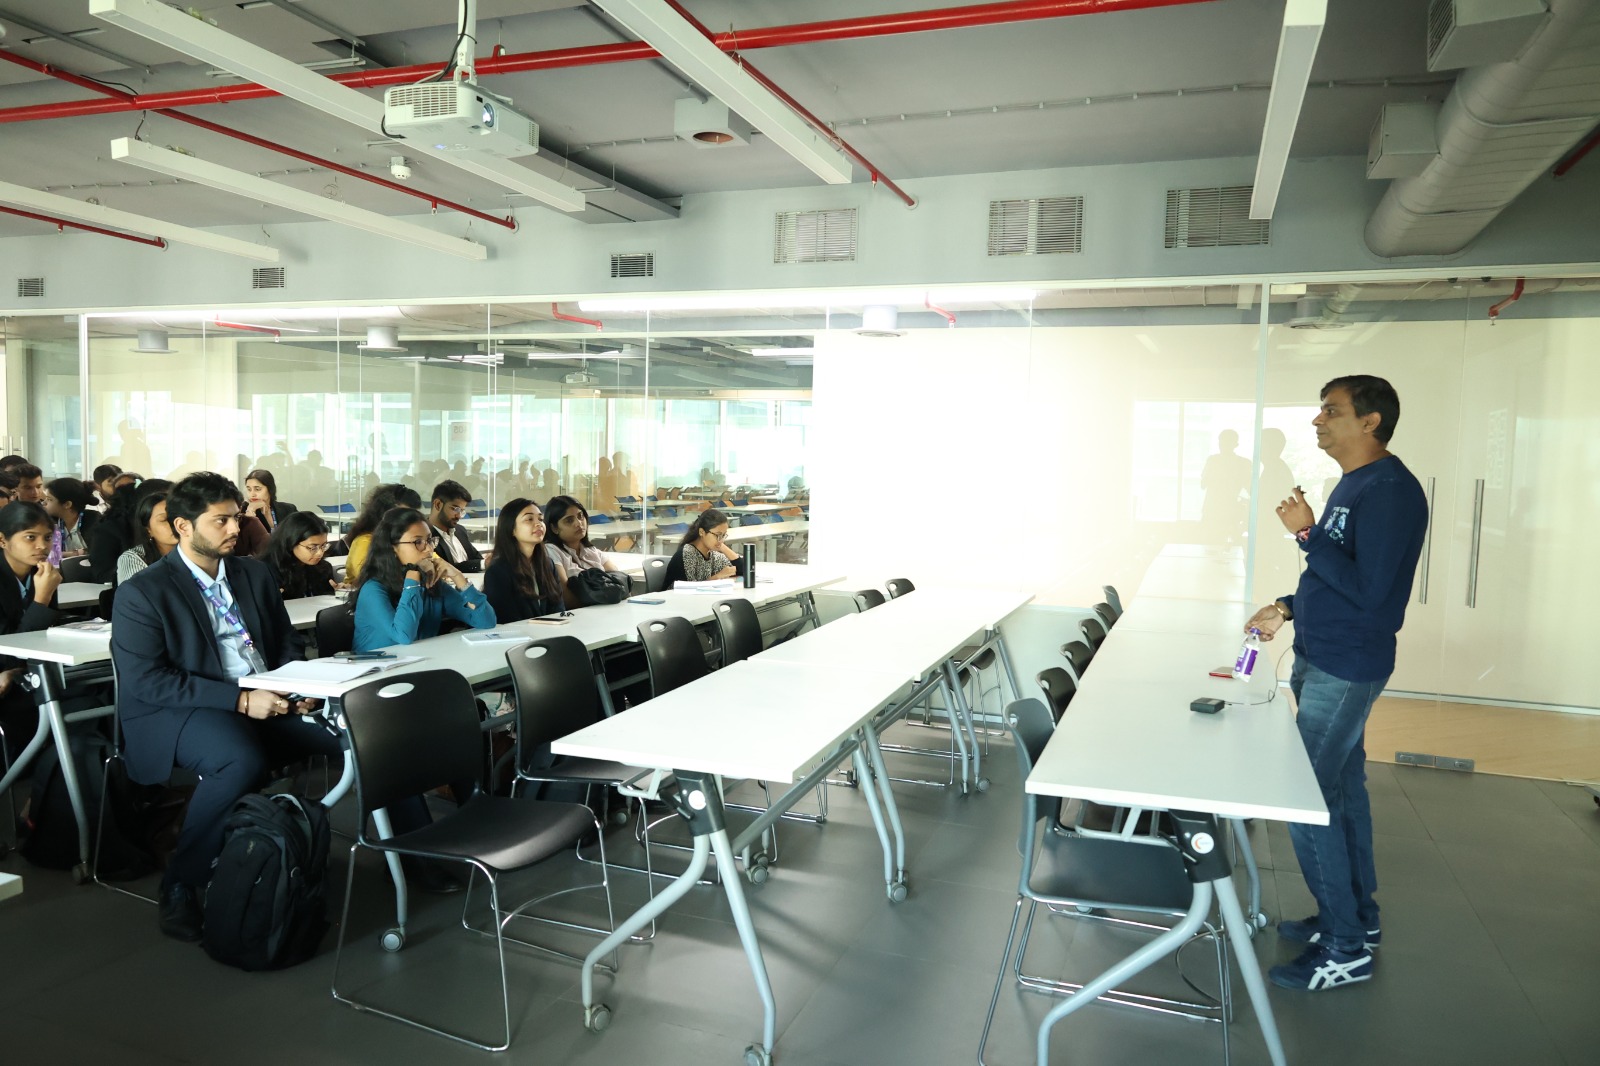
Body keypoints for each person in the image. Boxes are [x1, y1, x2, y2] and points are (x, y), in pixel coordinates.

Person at [1244, 375, 1428, 993]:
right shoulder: (1353, 484)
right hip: (1322, 653)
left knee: (1306, 797)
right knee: (1342, 789)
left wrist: (1304, 533)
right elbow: (1337, 576)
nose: (1318, 420)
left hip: (1346, 666)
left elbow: (1373, 596)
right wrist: (1286, 607)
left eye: (1331, 410)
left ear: (1370, 422)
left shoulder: (1392, 492)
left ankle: (1346, 947)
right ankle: (1356, 917)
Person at [110, 472, 342, 941]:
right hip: (181, 708)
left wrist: (298, 686)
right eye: (221, 521)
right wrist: (239, 699)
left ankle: (412, 849)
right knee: (240, 760)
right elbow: (148, 681)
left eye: (236, 518)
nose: (236, 529)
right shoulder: (144, 591)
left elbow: (285, 643)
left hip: (264, 696)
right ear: (182, 527)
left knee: (361, 731)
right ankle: (181, 881)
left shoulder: (253, 573)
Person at [352, 505, 495, 651]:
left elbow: (486, 621)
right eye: (418, 542)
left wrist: (458, 576)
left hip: (419, 663)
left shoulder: (430, 583)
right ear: (392, 547)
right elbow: (404, 636)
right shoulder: (373, 589)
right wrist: (413, 577)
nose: (429, 549)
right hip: (375, 669)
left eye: (429, 540)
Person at [0, 502, 64, 767]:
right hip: (9, 677)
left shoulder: (43, 574)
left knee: (96, 695)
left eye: (47, 537)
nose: (42, 546)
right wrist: (41, 598)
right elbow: (10, 649)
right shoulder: (43, 582)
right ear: (2, 540)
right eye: (30, 537)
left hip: (25, 672)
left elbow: (45, 636)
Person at [482, 498, 567, 622]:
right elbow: (505, 619)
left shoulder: (548, 565)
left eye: (540, 519)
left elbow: (559, 611)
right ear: (512, 529)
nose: (538, 524)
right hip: (519, 638)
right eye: (529, 519)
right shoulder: (498, 570)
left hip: (548, 636)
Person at [343, 482, 424, 582]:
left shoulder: (416, 541)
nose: (409, 521)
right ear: (383, 514)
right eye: (403, 515)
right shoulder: (364, 542)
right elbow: (371, 579)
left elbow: (435, 563)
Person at [257, 511, 336, 600]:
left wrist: (338, 593)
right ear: (291, 543)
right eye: (313, 547)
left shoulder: (323, 568)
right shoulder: (266, 571)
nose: (320, 553)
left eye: (323, 546)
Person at [544, 494, 621, 578]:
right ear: (554, 528)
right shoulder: (551, 551)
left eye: (580, 516)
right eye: (569, 520)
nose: (578, 523)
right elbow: (564, 590)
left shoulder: (591, 551)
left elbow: (618, 578)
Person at [116, 488, 178, 585]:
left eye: (177, 517)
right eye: (164, 520)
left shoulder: (197, 553)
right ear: (148, 529)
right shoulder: (134, 558)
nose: (175, 524)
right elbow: (136, 597)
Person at [664, 507, 739, 585]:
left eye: (723, 535)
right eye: (717, 535)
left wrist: (722, 546)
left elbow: (744, 570)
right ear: (701, 532)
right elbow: (687, 589)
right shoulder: (687, 554)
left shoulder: (714, 555)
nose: (721, 540)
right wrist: (717, 577)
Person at [427, 479, 482, 574]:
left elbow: (476, 558)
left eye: (462, 511)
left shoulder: (460, 530)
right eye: (455, 509)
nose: (459, 515)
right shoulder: (424, 536)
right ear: (438, 505)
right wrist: (483, 563)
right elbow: (446, 568)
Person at [41, 477, 100, 559]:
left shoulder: (94, 520)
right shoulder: (50, 522)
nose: (44, 503)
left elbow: (99, 551)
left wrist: (69, 554)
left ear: (67, 504)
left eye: (49, 499)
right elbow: (48, 553)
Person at [242, 468, 296, 534]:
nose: (252, 494)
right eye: (249, 489)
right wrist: (250, 511)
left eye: (257, 489)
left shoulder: (289, 509)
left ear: (270, 489)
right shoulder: (243, 510)